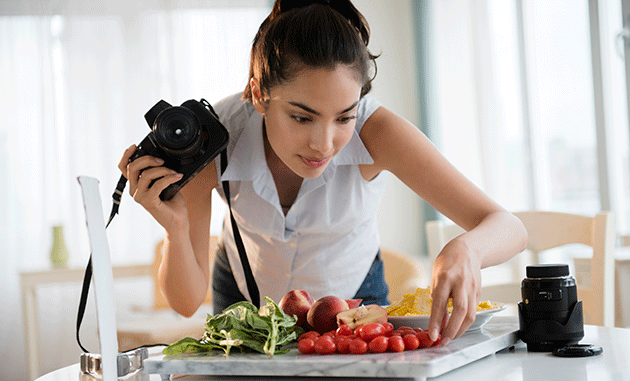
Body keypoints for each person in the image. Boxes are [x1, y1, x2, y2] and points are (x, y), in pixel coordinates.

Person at [118, 0, 527, 347]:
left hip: (355, 298)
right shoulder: (217, 134)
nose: (324, 143)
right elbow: (186, 303)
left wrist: (467, 249)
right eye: (301, 117)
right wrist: (175, 229)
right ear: (259, 94)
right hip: (247, 296)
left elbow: (508, 226)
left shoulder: (378, 131)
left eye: (344, 116)